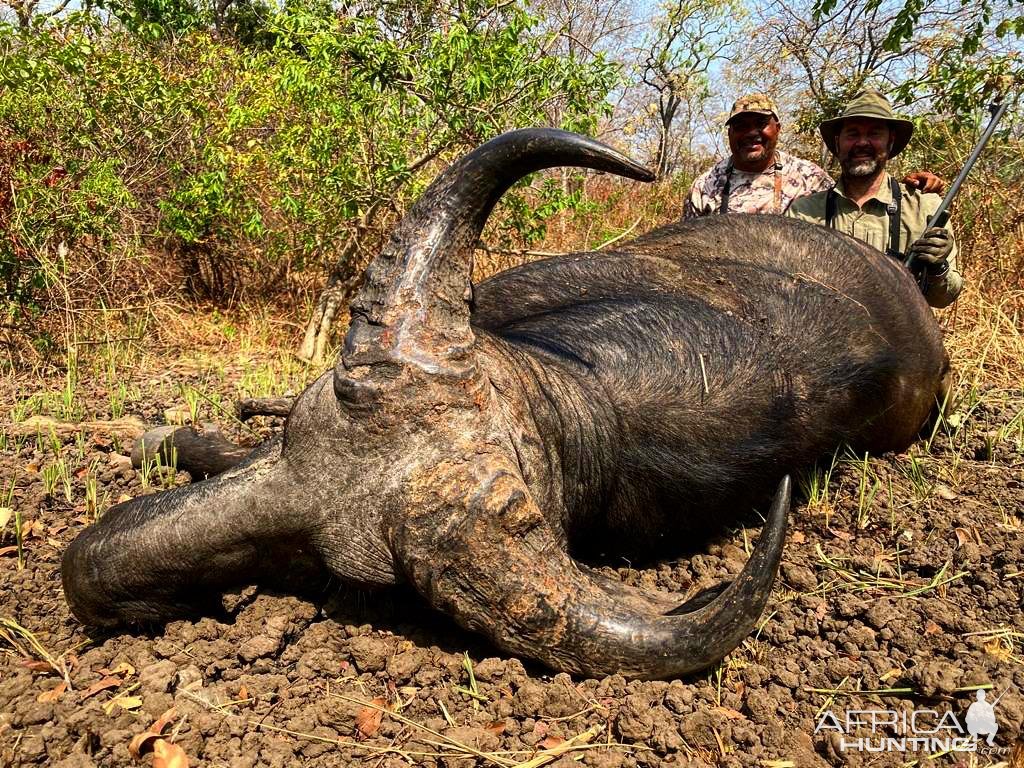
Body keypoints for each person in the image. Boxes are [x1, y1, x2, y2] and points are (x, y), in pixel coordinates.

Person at [787, 90, 963, 308]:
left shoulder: (923, 207)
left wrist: (938, 268)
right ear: (837, 141)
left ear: (890, 142)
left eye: (874, 134)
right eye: (852, 134)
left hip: (899, 338)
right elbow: (787, 290)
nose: (862, 143)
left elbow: (944, 299)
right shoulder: (804, 212)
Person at [683, 93, 943, 218]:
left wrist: (907, 187)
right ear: (729, 133)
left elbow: (857, 193)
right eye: (741, 126)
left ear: (777, 129)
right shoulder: (706, 186)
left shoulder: (809, 177)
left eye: (760, 124)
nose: (752, 133)